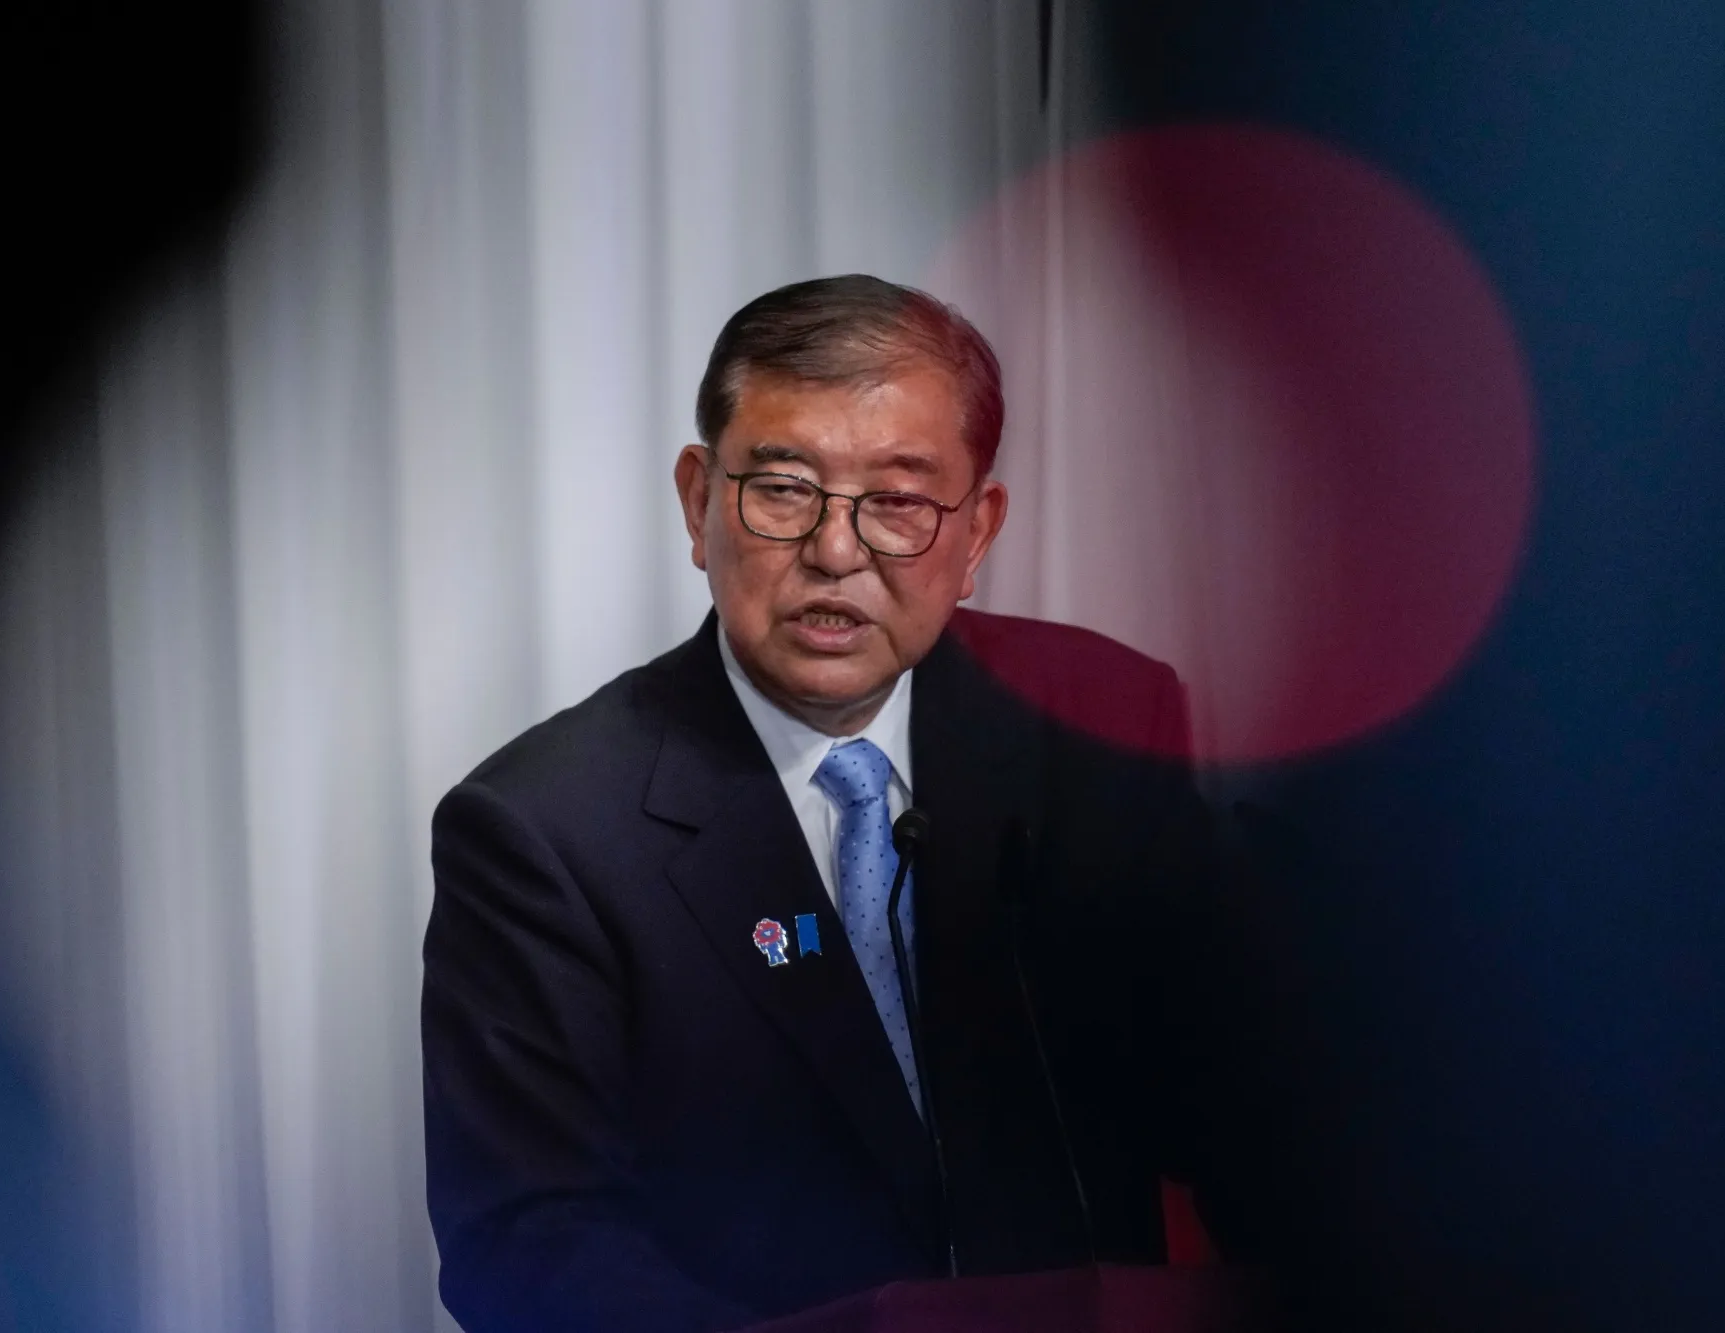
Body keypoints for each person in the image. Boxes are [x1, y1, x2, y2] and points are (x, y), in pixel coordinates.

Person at [421, 275, 1253, 1333]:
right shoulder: (546, 829)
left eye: (898, 501)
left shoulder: (1100, 722)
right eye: (783, 489)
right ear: (698, 502)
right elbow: (529, 1241)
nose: (835, 550)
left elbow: (1243, 1103)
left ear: (976, 533)